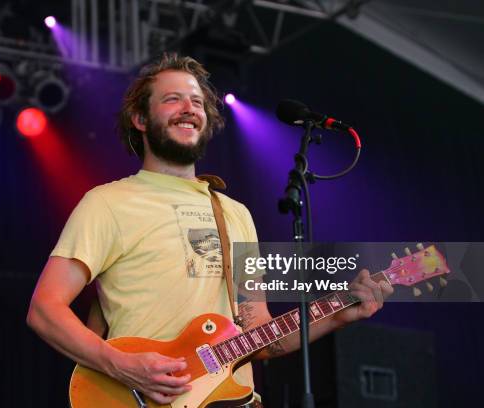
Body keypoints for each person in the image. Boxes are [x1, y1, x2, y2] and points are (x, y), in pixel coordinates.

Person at [26, 53, 393, 406]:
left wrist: (340, 313)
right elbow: (45, 309)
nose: (189, 109)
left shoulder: (234, 214)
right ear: (139, 118)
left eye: (197, 102)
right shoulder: (108, 203)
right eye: (172, 99)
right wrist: (122, 365)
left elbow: (260, 338)